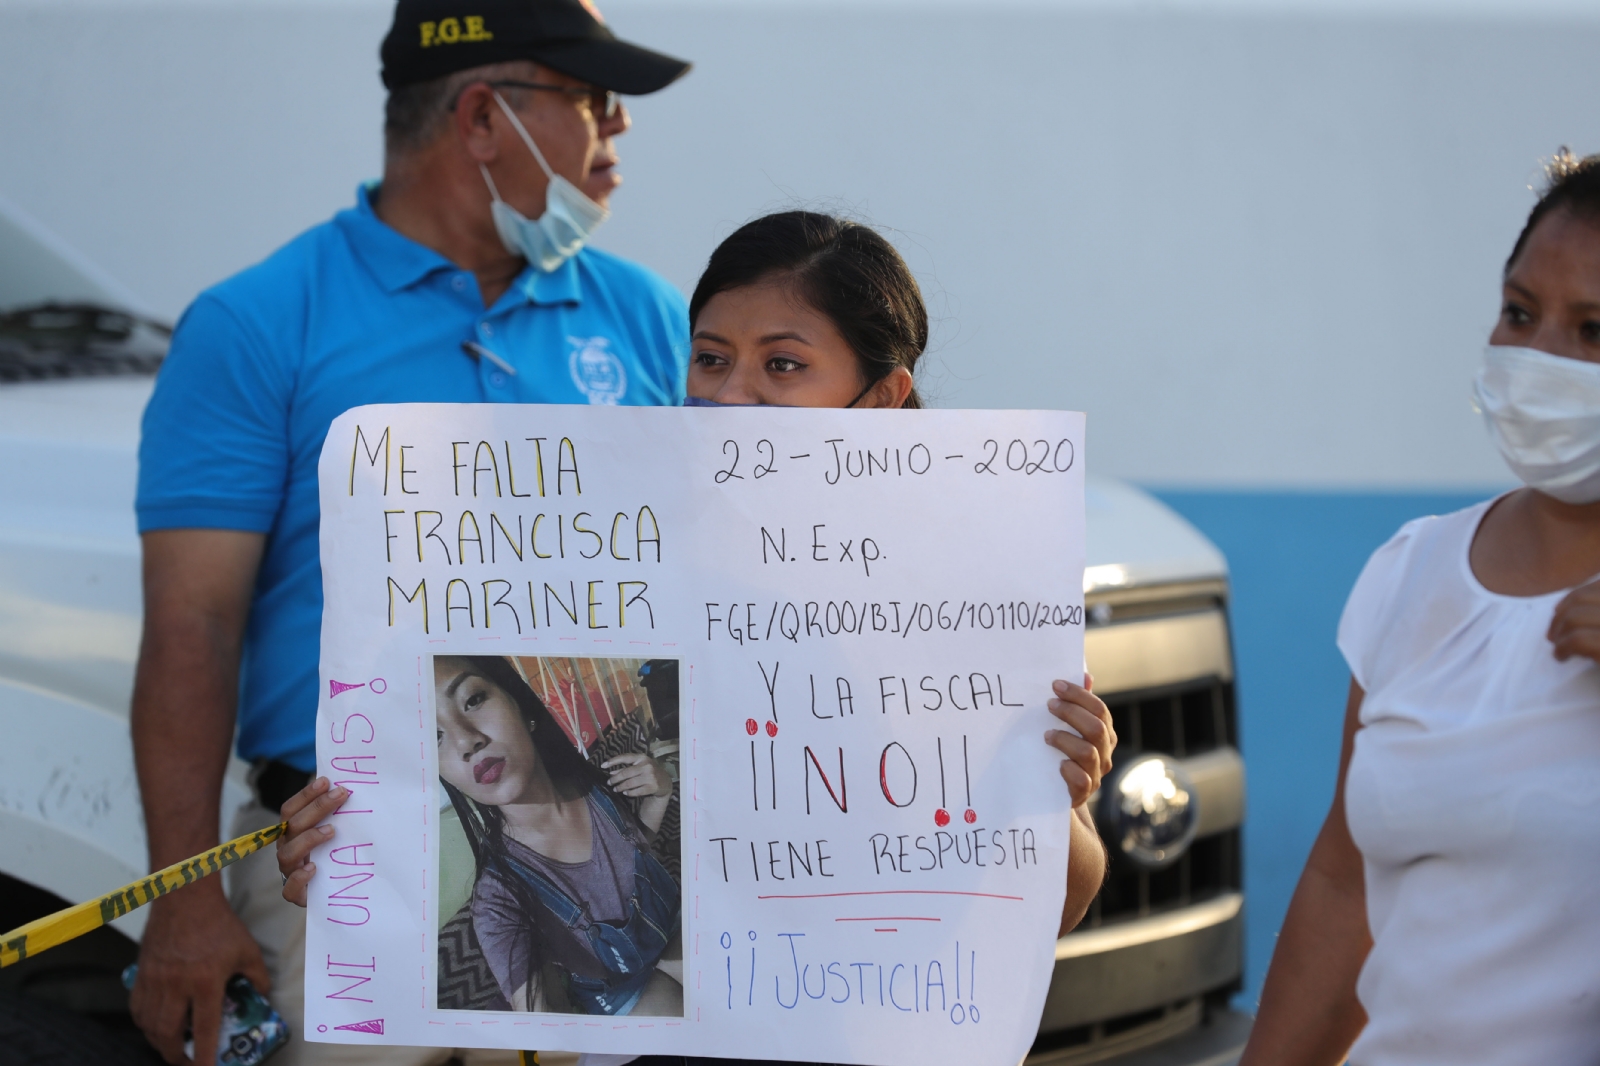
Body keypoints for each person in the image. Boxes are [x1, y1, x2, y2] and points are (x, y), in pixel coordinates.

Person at [279, 211, 1116, 1066]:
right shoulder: (611, 568)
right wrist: (360, 869)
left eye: (782, 365)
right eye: (710, 358)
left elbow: (1060, 897)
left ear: (884, 398)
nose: (727, 396)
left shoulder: (973, 611)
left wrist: (1058, 801)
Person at [128, 0, 692, 1061]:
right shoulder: (260, 323)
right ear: (484, 117)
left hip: (605, 843)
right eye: (592, 100)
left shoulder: (650, 320)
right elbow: (192, 625)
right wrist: (188, 899)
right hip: (344, 859)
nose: (617, 131)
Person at [1239, 150, 1600, 1066]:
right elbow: (1343, 877)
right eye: (1519, 313)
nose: (1540, 359)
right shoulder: (1414, 571)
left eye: (1594, 330)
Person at [435, 656, 680, 1017]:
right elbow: (536, 1019)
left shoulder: (595, 786)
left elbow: (632, 850)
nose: (466, 741)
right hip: (622, 996)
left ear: (520, 704)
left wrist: (660, 793)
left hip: (674, 925)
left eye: (473, 700)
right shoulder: (498, 899)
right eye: (433, 737)